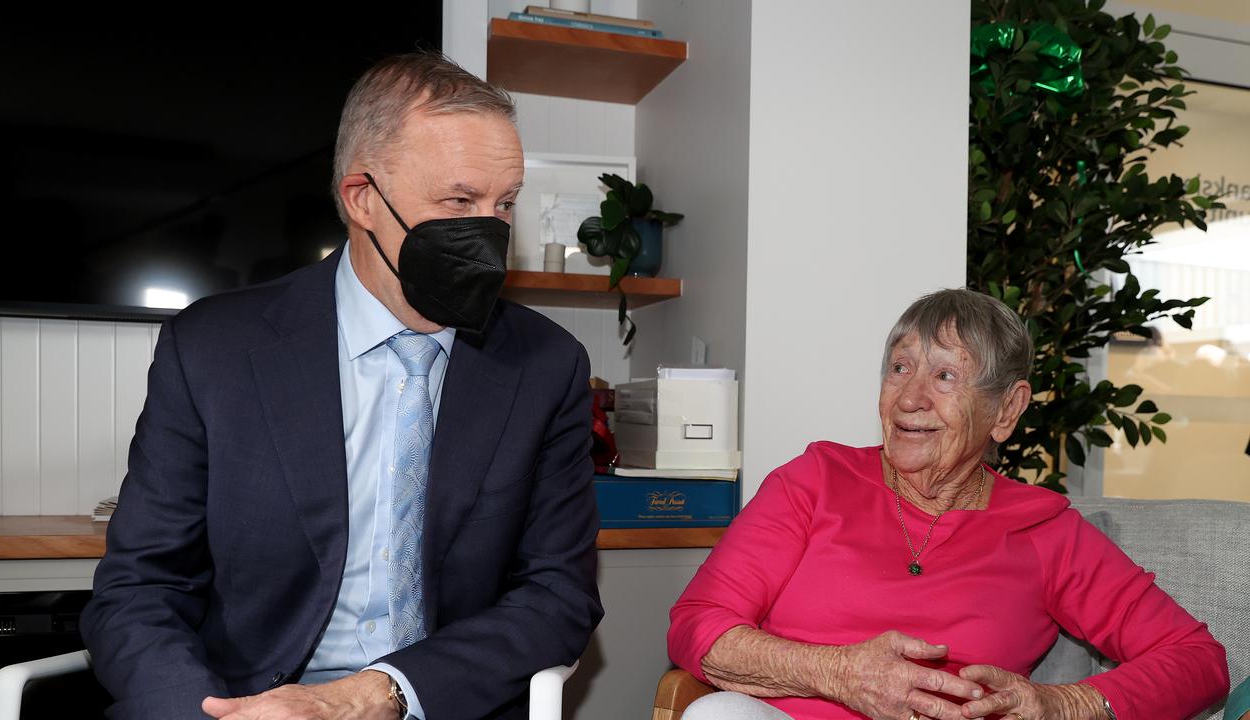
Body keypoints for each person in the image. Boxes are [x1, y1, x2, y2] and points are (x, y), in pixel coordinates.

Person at [80, 51, 603, 720]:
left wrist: (375, 694)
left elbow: (557, 595)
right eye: (460, 201)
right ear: (363, 199)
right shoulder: (214, 349)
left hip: (433, 703)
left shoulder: (545, 364)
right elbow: (139, 590)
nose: (490, 231)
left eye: (505, 204)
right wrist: (209, 713)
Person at [668, 289, 1228, 720]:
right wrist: (838, 673)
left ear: (1007, 410)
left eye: (944, 376)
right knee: (717, 713)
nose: (910, 398)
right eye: (899, 368)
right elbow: (696, 626)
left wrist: (1062, 705)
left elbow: (1198, 660)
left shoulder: (1043, 532)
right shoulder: (815, 482)